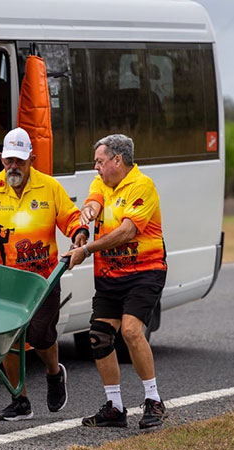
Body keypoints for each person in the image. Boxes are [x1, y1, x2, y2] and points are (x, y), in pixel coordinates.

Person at [0, 127, 88, 421]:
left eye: (20, 160)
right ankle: (20, 400)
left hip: (42, 278)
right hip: (5, 280)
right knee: (8, 340)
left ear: (31, 157)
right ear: (1, 158)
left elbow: (70, 216)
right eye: (9, 161)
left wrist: (79, 231)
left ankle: (54, 374)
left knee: (41, 337)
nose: (14, 167)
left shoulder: (49, 187)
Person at [63, 133, 168, 429]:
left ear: (117, 160)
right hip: (110, 274)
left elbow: (126, 232)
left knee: (132, 331)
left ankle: (154, 401)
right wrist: (83, 227)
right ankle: (115, 407)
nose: (95, 167)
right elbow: (92, 205)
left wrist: (86, 250)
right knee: (98, 336)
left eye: (100, 161)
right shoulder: (102, 182)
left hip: (144, 271)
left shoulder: (142, 186)